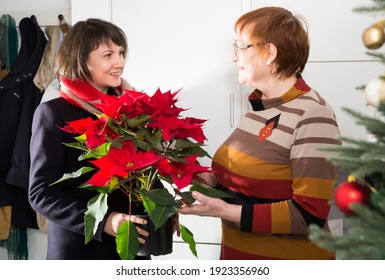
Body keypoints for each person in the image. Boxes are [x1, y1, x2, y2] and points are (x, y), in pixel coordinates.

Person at [178, 7, 341, 260]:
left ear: (269, 53)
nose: (234, 57)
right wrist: (172, 159)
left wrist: (224, 211)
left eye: (241, 47)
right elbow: (231, 185)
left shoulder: (312, 114)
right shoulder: (262, 105)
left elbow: (309, 215)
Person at [28, 18, 150, 260]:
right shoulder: (54, 112)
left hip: (133, 246)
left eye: (121, 52)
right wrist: (104, 221)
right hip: (80, 249)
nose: (120, 63)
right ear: (82, 60)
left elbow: (144, 173)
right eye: (108, 55)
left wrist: (162, 209)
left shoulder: (133, 110)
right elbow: (40, 193)